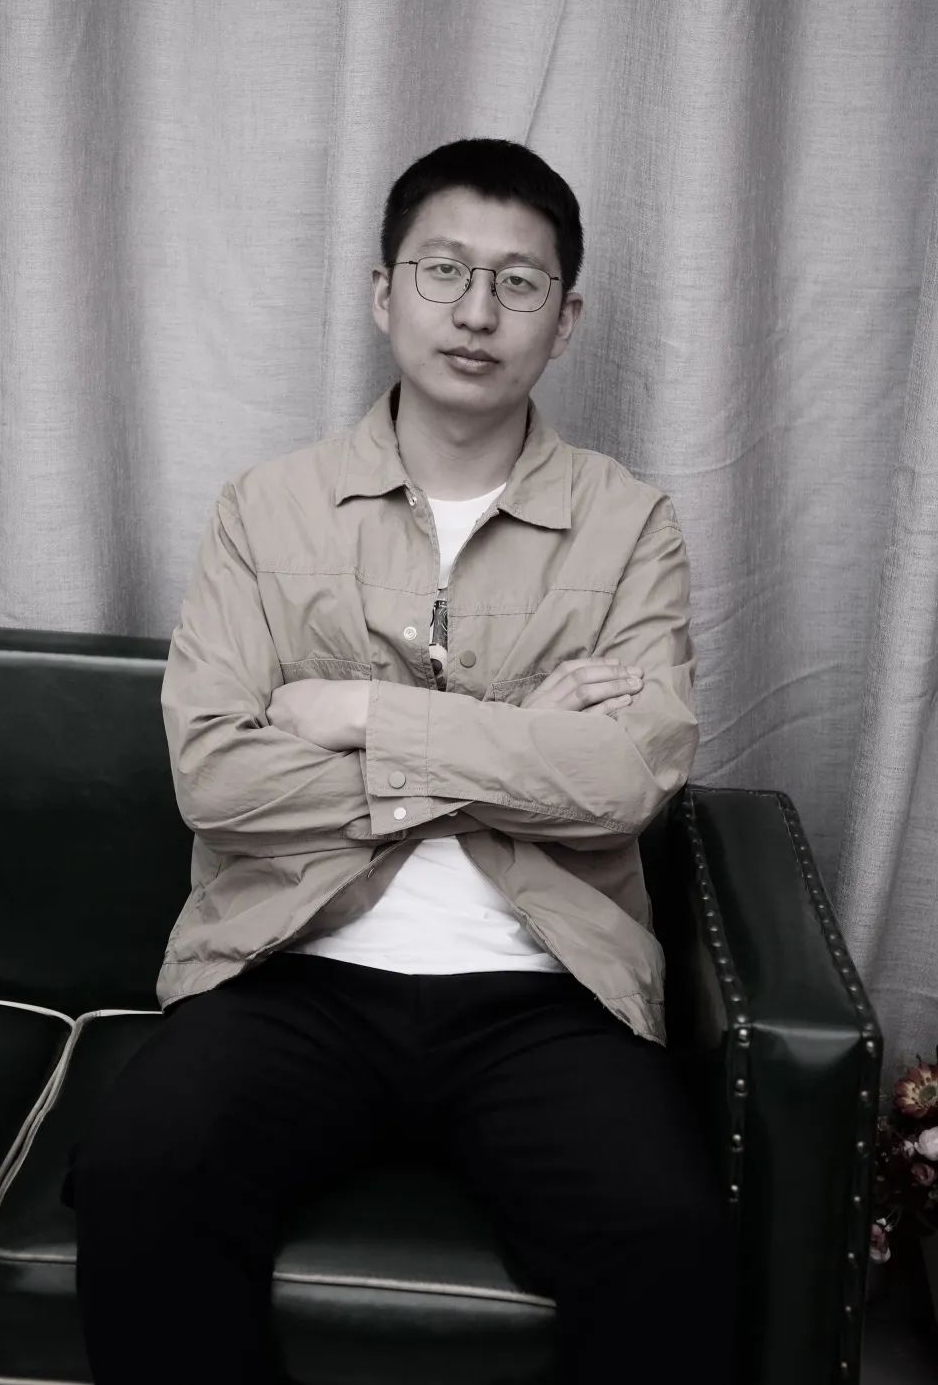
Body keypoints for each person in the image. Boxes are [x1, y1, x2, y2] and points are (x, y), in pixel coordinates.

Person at [65, 137, 737, 1383]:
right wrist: (523, 733)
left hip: (545, 986)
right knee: (139, 1174)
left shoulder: (629, 521)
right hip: (293, 965)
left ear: (566, 319)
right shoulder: (266, 508)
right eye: (443, 270)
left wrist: (358, 708)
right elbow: (216, 776)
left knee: (668, 1237)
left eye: (518, 282)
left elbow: (622, 784)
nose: (476, 311)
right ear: (385, 293)